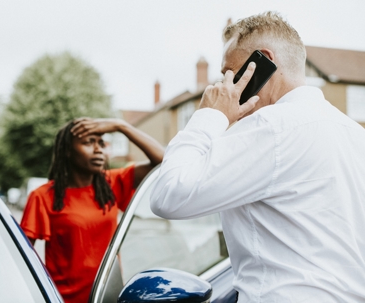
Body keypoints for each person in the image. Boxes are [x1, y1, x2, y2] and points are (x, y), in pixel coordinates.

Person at [150, 11, 365, 302]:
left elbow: (168, 195)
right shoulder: (354, 134)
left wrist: (209, 115)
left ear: (263, 62)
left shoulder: (270, 127)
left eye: (229, 72)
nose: (225, 84)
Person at [20, 117, 164, 303]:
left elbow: (163, 161)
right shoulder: (43, 196)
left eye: (101, 143)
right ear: (68, 151)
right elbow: (23, 257)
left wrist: (121, 126)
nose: (98, 149)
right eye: (89, 142)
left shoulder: (111, 183)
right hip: (62, 299)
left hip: (107, 297)